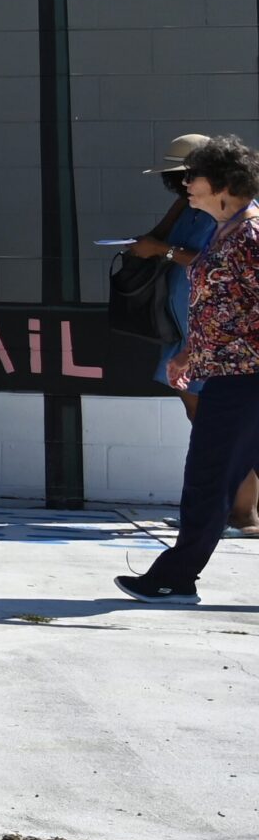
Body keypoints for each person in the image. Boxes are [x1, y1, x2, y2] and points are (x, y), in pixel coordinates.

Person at [120, 135, 259, 604]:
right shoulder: (225, 229)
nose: (185, 186)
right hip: (229, 373)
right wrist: (190, 353)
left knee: (207, 477)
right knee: (211, 477)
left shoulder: (251, 234)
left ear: (221, 183)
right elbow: (220, 307)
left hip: (244, 380)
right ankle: (175, 575)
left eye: (193, 177)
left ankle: (174, 577)